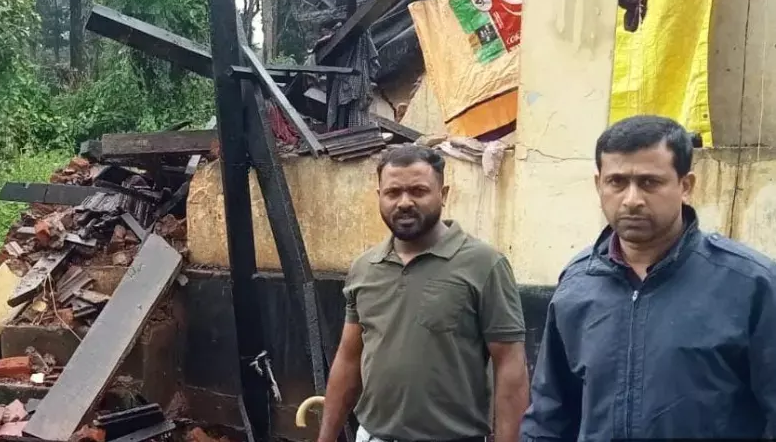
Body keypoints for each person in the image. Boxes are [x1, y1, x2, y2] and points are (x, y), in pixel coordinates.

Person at [520, 115, 776, 441]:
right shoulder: (578, 283)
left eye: (649, 182)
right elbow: (549, 416)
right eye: (617, 182)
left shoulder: (749, 284)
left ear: (686, 186)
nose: (632, 200)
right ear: (598, 185)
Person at [317, 144, 530, 442]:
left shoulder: (484, 265)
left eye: (418, 191)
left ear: (443, 194)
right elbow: (349, 359)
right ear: (379, 196)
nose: (404, 202)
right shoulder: (364, 268)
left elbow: (510, 366)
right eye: (393, 192)